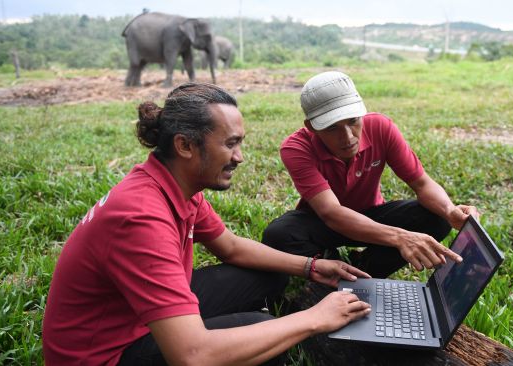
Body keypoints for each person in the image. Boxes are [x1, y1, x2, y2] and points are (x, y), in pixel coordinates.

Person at [42, 82, 372, 365]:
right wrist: (314, 319)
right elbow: (192, 356)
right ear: (185, 145)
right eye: (230, 143)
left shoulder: (172, 184)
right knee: (258, 335)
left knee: (269, 276)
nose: (240, 156)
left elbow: (229, 246)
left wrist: (311, 266)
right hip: (104, 353)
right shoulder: (141, 218)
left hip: (131, 315)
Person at [262, 71, 479, 279]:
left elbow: (422, 184)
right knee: (279, 234)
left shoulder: (381, 128)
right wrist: (401, 237)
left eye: (353, 121)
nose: (347, 137)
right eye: (332, 128)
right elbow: (331, 213)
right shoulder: (296, 148)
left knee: (436, 218)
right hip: (323, 222)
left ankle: (363, 269)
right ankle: (330, 264)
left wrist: (450, 212)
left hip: (371, 215)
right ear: (311, 127)